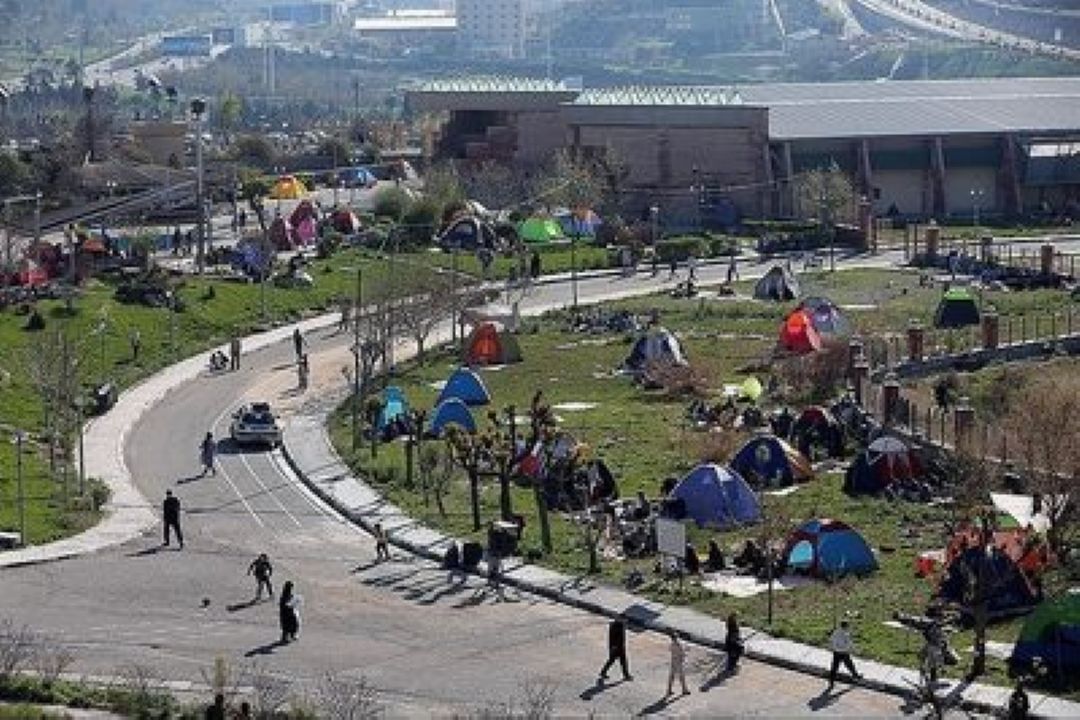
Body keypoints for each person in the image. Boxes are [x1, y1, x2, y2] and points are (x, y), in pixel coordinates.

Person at [827, 620, 862, 689]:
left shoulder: (835, 632)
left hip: (836, 652)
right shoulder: (846, 634)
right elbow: (850, 644)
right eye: (847, 626)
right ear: (845, 627)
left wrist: (833, 648)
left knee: (834, 667)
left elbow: (831, 640)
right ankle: (855, 676)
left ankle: (831, 682)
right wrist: (857, 651)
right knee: (849, 664)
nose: (848, 628)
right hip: (844, 652)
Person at [598, 616, 631, 682]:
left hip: (619, 647)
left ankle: (626, 675)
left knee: (620, 661)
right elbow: (613, 638)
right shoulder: (617, 626)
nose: (626, 621)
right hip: (616, 648)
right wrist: (614, 647)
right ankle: (626, 675)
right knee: (615, 661)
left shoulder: (619, 625)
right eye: (624, 620)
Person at [666, 631, 689, 696]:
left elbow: (670, 649)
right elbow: (682, 653)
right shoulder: (679, 644)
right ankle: (684, 690)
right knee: (681, 677)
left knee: (671, 676)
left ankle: (669, 690)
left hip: (673, 661)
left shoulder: (672, 644)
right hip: (679, 662)